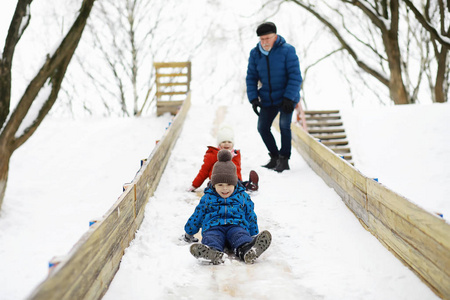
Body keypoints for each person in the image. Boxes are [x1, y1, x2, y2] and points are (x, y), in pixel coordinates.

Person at [183, 149, 272, 264]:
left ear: (235, 183)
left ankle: (248, 250)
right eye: (220, 185)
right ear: (214, 185)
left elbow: (250, 215)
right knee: (211, 238)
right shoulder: (208, 198)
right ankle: (212, 253)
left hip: (236, 225)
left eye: (229, 184)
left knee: (240, 236)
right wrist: (189, 232)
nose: (225, 189)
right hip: (213, 227)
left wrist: (254, 233)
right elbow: (197, 215)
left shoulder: (242, 196)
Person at [246, 21, 303, 173]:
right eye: (262, 39)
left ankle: (284, 159)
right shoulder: (255, 53)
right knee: (262, 127)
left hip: (286, 98)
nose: (265, 42)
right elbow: (251, 77)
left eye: (268, 38)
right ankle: (275, 157)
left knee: (284, 126)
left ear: (275, 36)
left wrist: (289, 98)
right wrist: (253, 98)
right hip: (268, 98)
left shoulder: (287, 50)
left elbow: (295, 76)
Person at [187, 125, 259, 192]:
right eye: (223, 142)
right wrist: (194, 185)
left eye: (229, 142)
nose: (226, 144)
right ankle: (239, 187)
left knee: (237, 184)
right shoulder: (213, 154)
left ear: (233, 143)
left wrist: (239, 179)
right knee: (212, 185)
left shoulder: (235, 154)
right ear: (219, 143)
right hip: (217, 180)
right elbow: (204, 171)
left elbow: (238, 170)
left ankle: (249, 185)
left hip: (232, 180)